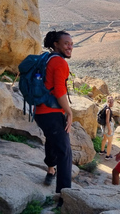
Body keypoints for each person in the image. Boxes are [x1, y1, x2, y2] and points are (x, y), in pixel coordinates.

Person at [34, 30, 74, 210]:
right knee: (65, 152)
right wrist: (69, 112)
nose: (69, 46)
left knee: (51, 139)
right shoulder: (59, 63)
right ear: (56, 44)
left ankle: (51, 170)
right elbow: (59, 92)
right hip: (51, 113)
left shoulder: (48, 58)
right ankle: (63, 198)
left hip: (41, 112)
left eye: (71, 43)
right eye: (66, 43)